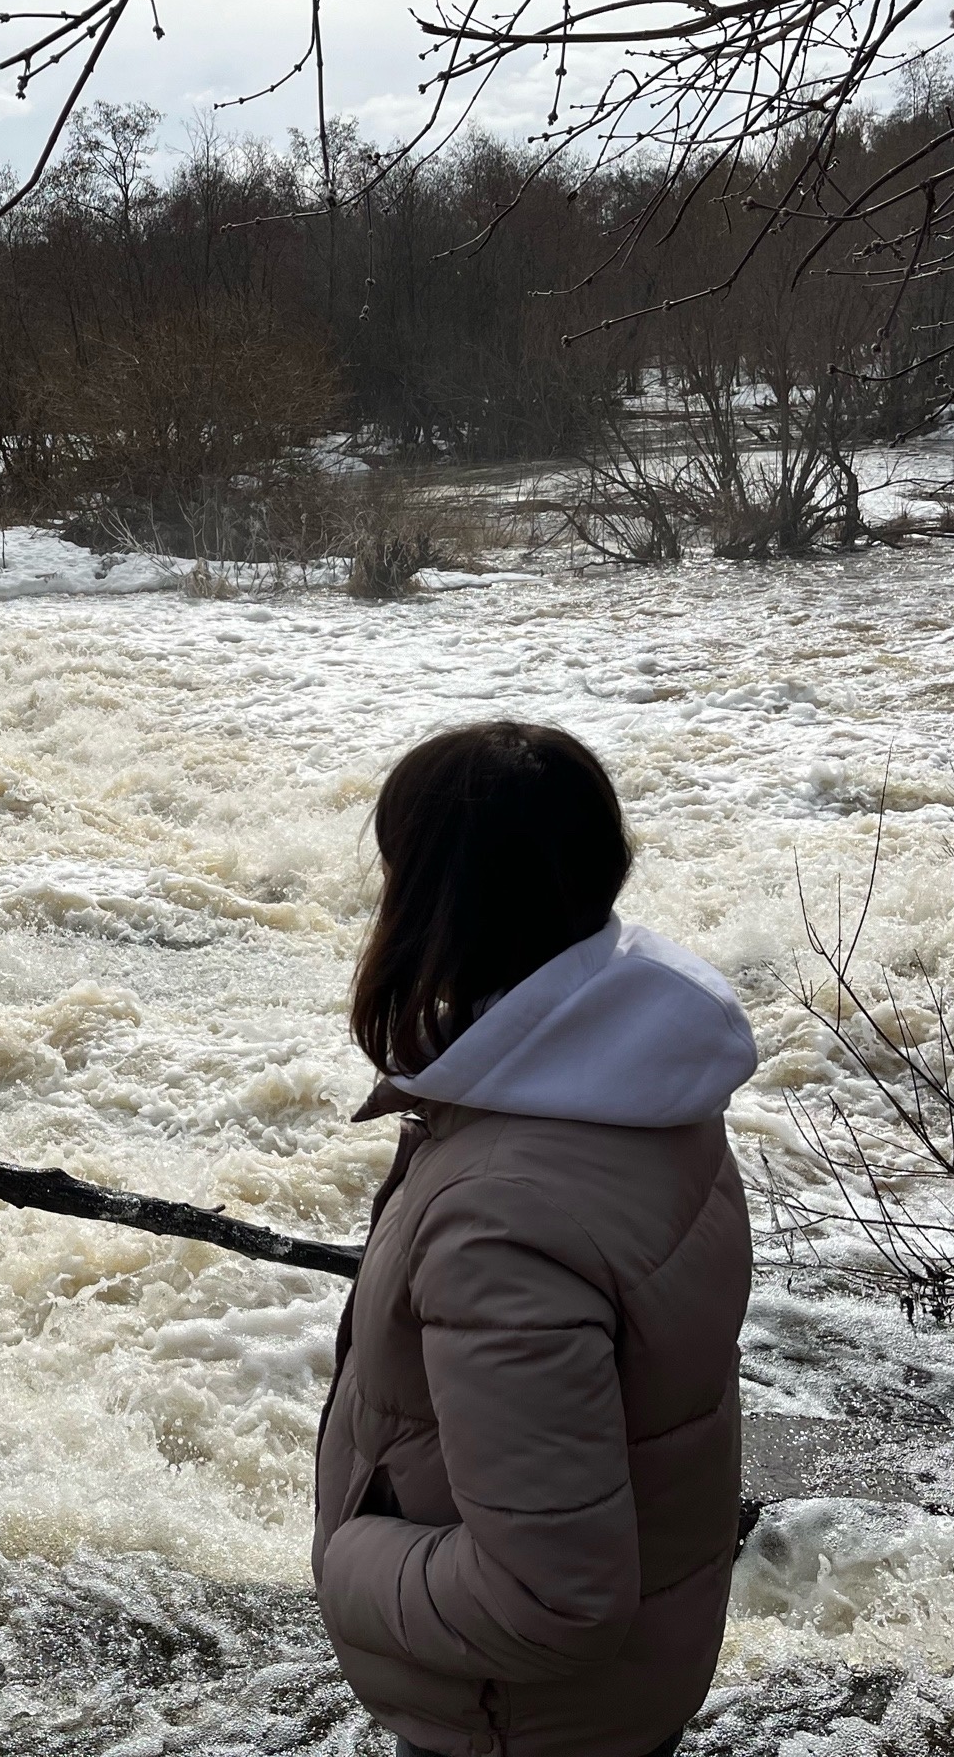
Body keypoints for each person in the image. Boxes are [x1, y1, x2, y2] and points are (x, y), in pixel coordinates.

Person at [313, 721, 757, 1757]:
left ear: (430, 899)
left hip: (519, 1723)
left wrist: (344, 1555)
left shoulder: (501, 1219)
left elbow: (546, 1603)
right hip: (642, 1662)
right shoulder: (639, 1078)